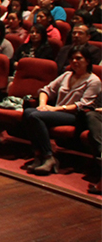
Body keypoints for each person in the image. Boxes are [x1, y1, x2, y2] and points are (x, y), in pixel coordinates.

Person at [23, 46, 102, 176]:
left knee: (35, 116)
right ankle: (39, 155)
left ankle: (48, 157)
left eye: (79, 58)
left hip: (75, 116)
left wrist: (55, 108)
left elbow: (83, 105)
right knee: (28, 112)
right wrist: (43, 105)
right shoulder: (66, 75)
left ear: (87, 61)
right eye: (72, 59)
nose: (74, 61)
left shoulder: (93, 81)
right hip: (56, 113)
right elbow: (46, 90)